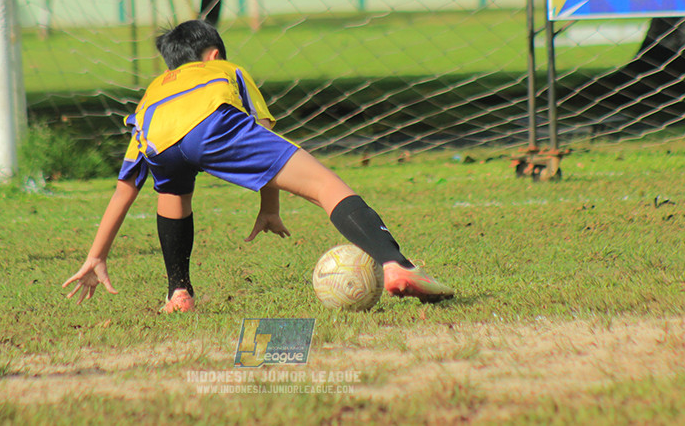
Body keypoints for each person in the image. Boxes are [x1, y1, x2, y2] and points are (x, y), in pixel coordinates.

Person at [63, 19, 453, 312]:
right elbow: (265, 135)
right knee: (326, 186)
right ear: (214, 54)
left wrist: (97, 255)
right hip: (212, 124)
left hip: (159, 145)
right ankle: (396, 264)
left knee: (173, 193)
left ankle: (178, 291)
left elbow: (125, 189)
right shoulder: (225, 70)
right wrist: (270, 207)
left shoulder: (152, 94)